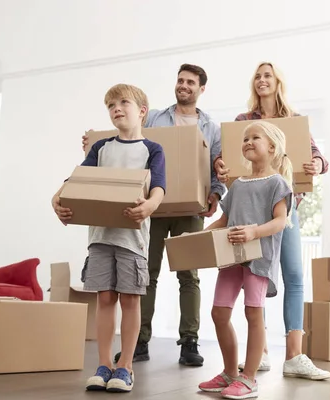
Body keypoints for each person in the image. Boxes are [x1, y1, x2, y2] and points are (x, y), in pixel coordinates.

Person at [82, 64, 226, 367]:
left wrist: (215, 194)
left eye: (190, 82)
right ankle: (140, 342)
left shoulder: (212, 127)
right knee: (146, 275)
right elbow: (122, 140)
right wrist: (89, 145)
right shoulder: (157, 117)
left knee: (189, 276)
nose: (183, 85)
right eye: (180, 80)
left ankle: (189, 341)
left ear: (201, 89)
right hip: (148, 208)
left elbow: (217, 165)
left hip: (190, 209)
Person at [213, 62, 330, 380]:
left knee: (293, 275)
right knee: (253, 273)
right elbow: (226, 161)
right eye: (257, 75)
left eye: (268, 75)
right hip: (248, 207)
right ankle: (260, 351)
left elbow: (318, 156)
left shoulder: (293, 121)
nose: (262, 79)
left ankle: (294, 355)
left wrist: (316, 164)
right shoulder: (242, 122)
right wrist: (221, 167)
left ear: (277, 82)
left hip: (285, 205)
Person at [53, 83, 166, 393]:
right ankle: (104, 364)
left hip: (133, 239)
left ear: (142, 111)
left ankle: (126, 366)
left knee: (130, 299)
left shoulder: (152, 150)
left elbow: (158, 187)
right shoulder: (101, 148)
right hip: (101, 236)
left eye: (123, 102)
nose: (116, 108)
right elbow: (77, 179)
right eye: (111, 105)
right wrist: (57, 198)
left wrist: (150, 206)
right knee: (104, 297)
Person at [199, 121, 293, 399]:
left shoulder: (278, 183)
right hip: (231, 259)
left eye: (255, 138)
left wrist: (254, 231)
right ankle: (230, 372)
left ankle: (249, 378)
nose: (248, 142)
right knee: (219, 313)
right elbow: (224, 220)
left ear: (272, 147)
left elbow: (280, 221)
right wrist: (197, 237)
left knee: (253, 313)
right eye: (245, 139)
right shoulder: (237, 184)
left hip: (259, 259)